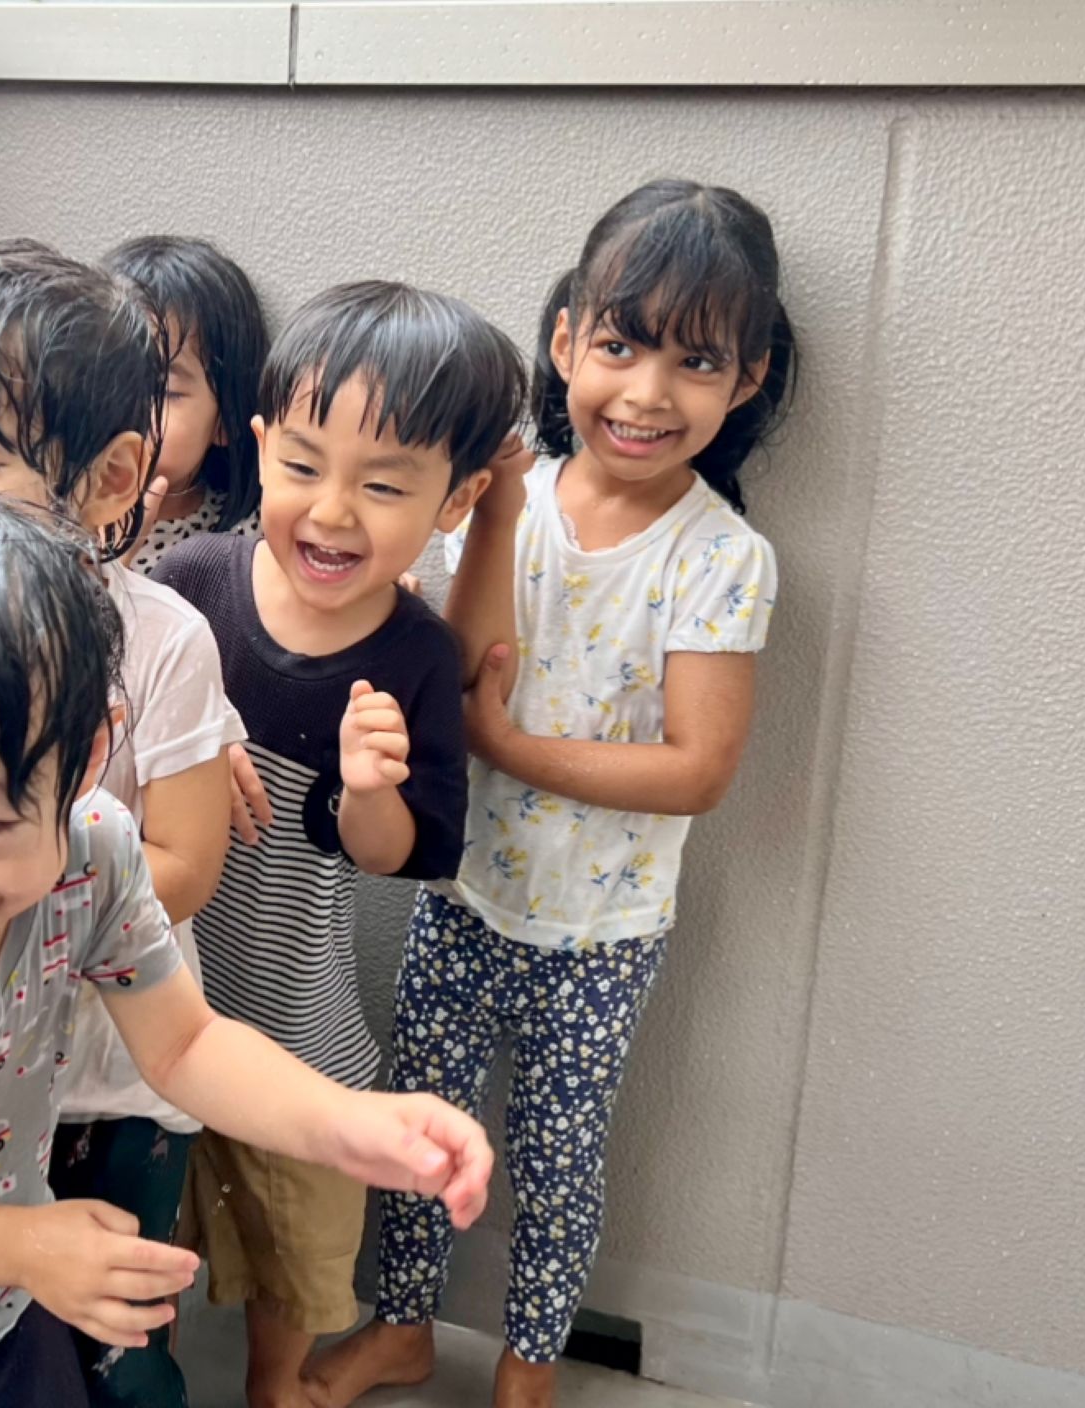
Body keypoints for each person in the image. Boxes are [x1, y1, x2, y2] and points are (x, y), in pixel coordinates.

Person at [0, 493, 495, 1408]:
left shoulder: (95, 853)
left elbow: (184, 1044)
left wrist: (343, 1122)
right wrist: (28, 1245)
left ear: (87, 756)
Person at [317, 179, 797, 1408]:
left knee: (557, 1158)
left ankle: (529, 1367)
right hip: (461, 891)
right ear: (568, 338)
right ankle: (402, 1326)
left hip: (600, 932)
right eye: (622, 345)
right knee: (418, 1121)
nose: (647, 392)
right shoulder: (510, 508)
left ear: (747, 381)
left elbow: (697, 769)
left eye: (697, 361)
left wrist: (506, 743)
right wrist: (497, 514)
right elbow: (466, 664)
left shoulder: (721, 558)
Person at [0, 239, 243, 1407]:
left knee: (114, 1349)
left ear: (111, 477)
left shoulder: (162, 639)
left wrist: (14, 900)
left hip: (111, 1077)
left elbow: (186, 863)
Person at [154, 280, 525, 1408]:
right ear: (260, 445)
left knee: (298, 1243)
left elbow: (395, 858)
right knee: (142, 1225)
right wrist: (196, 737)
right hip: (157, 997)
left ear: (456, 500)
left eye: (384, 485)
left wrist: (371, 787)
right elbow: (108, 739)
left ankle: (275, 1385)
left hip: (297, 1013)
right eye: (304, 465)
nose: (331, 512)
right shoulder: (190, 586)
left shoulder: (415, 656)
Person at [101, 235, 268, 575]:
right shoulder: (50, 516)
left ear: (226, 420)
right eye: (104, 377)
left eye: (164, 390)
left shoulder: (247, 544)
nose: (122, 406)